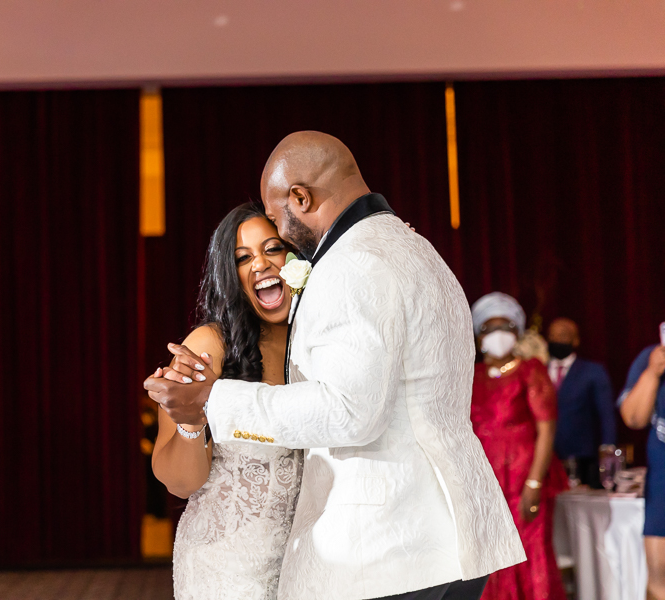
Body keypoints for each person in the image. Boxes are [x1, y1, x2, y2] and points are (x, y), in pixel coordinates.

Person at [145, 131, 524, 600]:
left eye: (276, 230)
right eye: (243, 257)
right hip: (451, 536)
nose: (278, 241)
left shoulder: (350, 264)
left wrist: (213, 398)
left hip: (387, 545)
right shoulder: (418, 250)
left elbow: (350, 412)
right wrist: (190, 418)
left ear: (300, 197)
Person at [152, 202, 304, 599]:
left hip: (308, 569)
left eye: (272, 249)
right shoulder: (207, 347)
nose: (260, 264)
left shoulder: (319, 340)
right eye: (243, 257)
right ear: (231, 277)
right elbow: (180, 483)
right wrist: (190, 421)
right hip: (226, 572)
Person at [470, 293, 567, 600]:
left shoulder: (531, 371)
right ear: (478, 336)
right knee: (493, 559)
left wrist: (535, 481)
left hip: (526, 479)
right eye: (489, 328)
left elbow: (546, 428)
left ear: (517, 332)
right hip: (488, 483)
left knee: (531, 553)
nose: (498, 334)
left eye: (506, 327)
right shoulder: (471, 377)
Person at [547, 317, 617, 488]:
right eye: (552, 336)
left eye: (562, 336)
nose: (557, 341)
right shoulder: (537, 370)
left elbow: (607, 415)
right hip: (545, 457)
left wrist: (608, 456)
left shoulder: (593, 371)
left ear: (575, 340)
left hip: (582, 457)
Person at [619, 341, 665, 600]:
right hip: (663, 477)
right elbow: (634, 418)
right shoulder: (652, 356)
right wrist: (652, 372)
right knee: (660, 579)